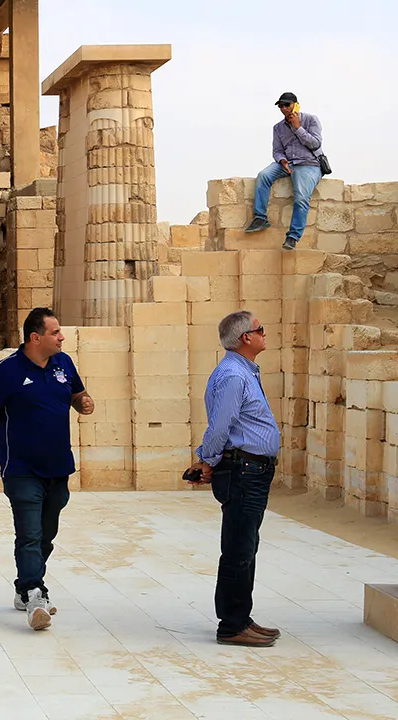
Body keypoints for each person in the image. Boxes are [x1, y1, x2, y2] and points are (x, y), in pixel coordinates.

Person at [0, 308, 94, 631]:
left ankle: (25, 585)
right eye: (55, 332)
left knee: (47, 534)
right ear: (36, 338)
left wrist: (84, 402)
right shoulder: (6, 371)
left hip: (58, 466)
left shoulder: (64, 363)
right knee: (30, 534)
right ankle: (36, 594)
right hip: (21, 468)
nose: (61, 337)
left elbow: (77, 394)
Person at [186, 311, 282, 647]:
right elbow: (221, 428)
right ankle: (231, 624)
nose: (264, 333)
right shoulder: (232, 376)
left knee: (246, 546)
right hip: (243, 471)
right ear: (246, 338)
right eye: (261, 329)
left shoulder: (243, 371)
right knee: (238, 548)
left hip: (251, 470)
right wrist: (206, 460)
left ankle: (242, 616)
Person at [243, 92, 324, 251]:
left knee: (301, 197)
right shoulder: (278, 127)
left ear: (296, 104)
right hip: (287, 163)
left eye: (287, 105)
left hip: (308, 163)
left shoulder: (311, 120)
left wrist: (297, 127)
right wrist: (282, 161)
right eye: (281, 106)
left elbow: (315, 144)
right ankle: (260, 218)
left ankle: (293, 236)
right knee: (263, 176)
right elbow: (277, 150)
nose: (284, 108)